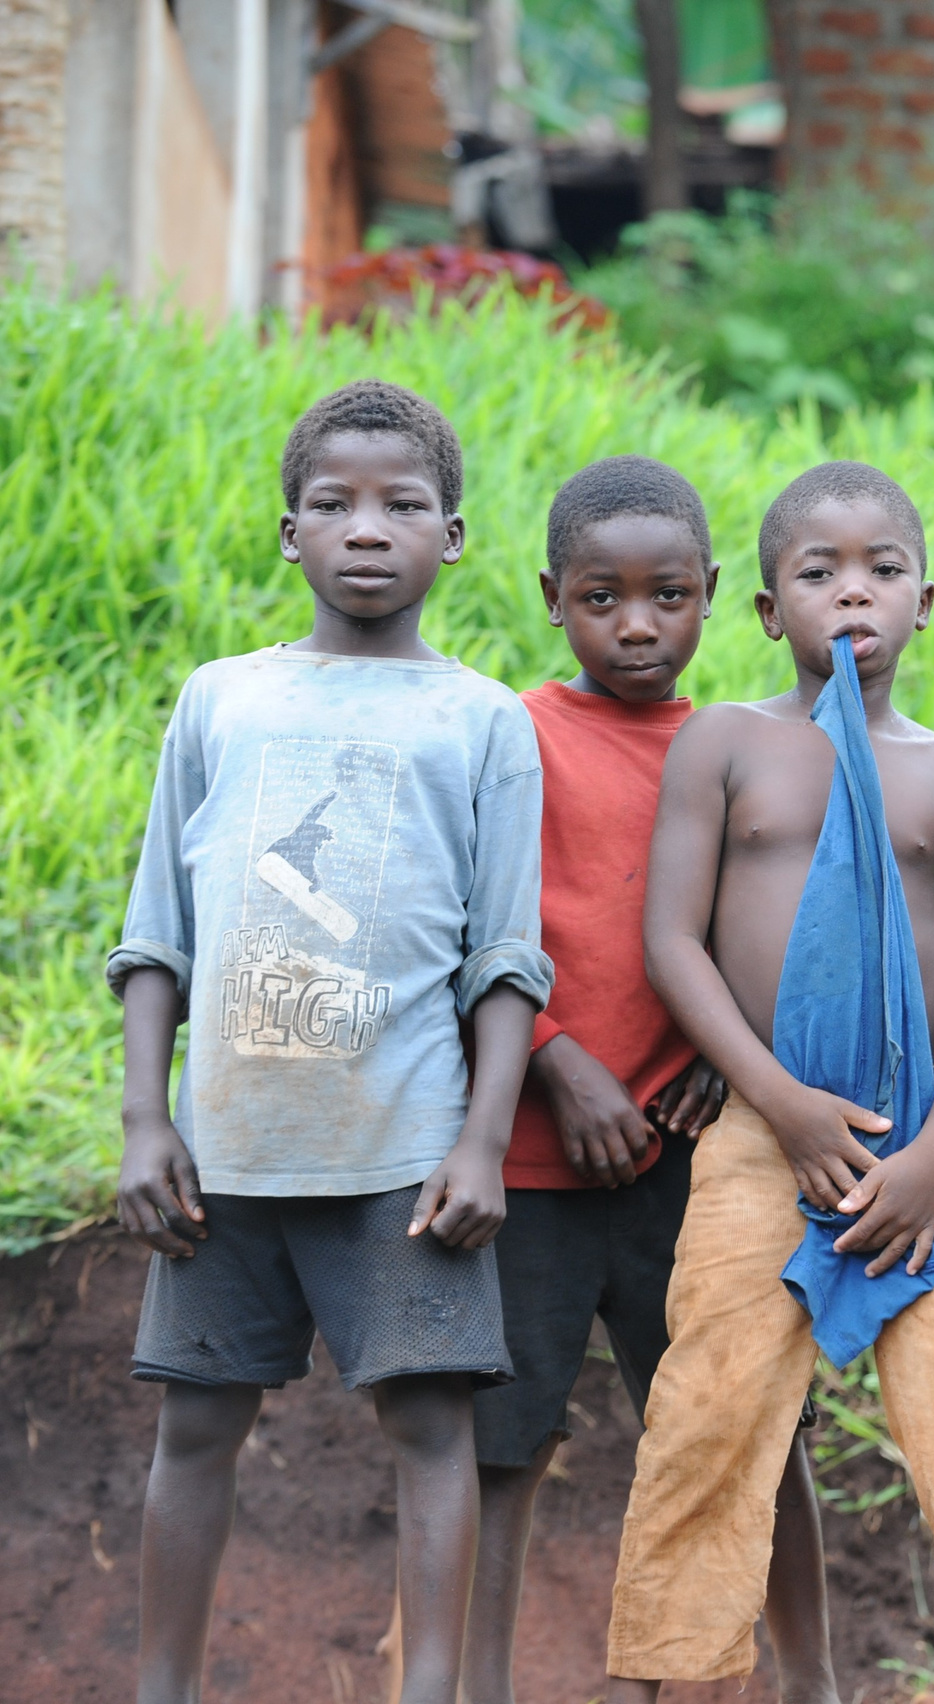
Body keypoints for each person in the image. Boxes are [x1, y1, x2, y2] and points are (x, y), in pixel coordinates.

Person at [108, 380, 553, 1704]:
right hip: (227, 1152)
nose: (367, 529)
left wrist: (481, 1143)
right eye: (333, 503)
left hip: (402, 1154)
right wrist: (145, 1118)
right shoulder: (222, 701)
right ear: (288, 532)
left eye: (402, 505)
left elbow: (506, 959)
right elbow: (157, 934)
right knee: (197, 1426)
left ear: (451, 537)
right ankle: (163, 1689)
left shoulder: (484, 721)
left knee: (430, 1426)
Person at [606, 462, 934, 1703]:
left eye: (882, 570)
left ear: (927, 600)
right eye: (818, 574)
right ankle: (653, 1682)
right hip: (765, 1134)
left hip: (929, 1142)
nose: (852, 594)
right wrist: (781, 1101)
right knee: (708, 1415)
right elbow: (672, 942)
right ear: (769, 610)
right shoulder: (726, 743)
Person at [457, 457, 734, 1704]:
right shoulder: (510, 735)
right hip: (526, 1162)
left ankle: (800, 1677)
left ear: (711, 593)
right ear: (550, 598)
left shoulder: (733, 751)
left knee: (732, 1434)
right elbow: (460, 921)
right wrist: (556, 1060)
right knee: (499, 1447)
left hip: (688, 1164)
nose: (636, 626)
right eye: (600, 597)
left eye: (667, 596)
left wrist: (721, 1059)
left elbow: (761, 929)